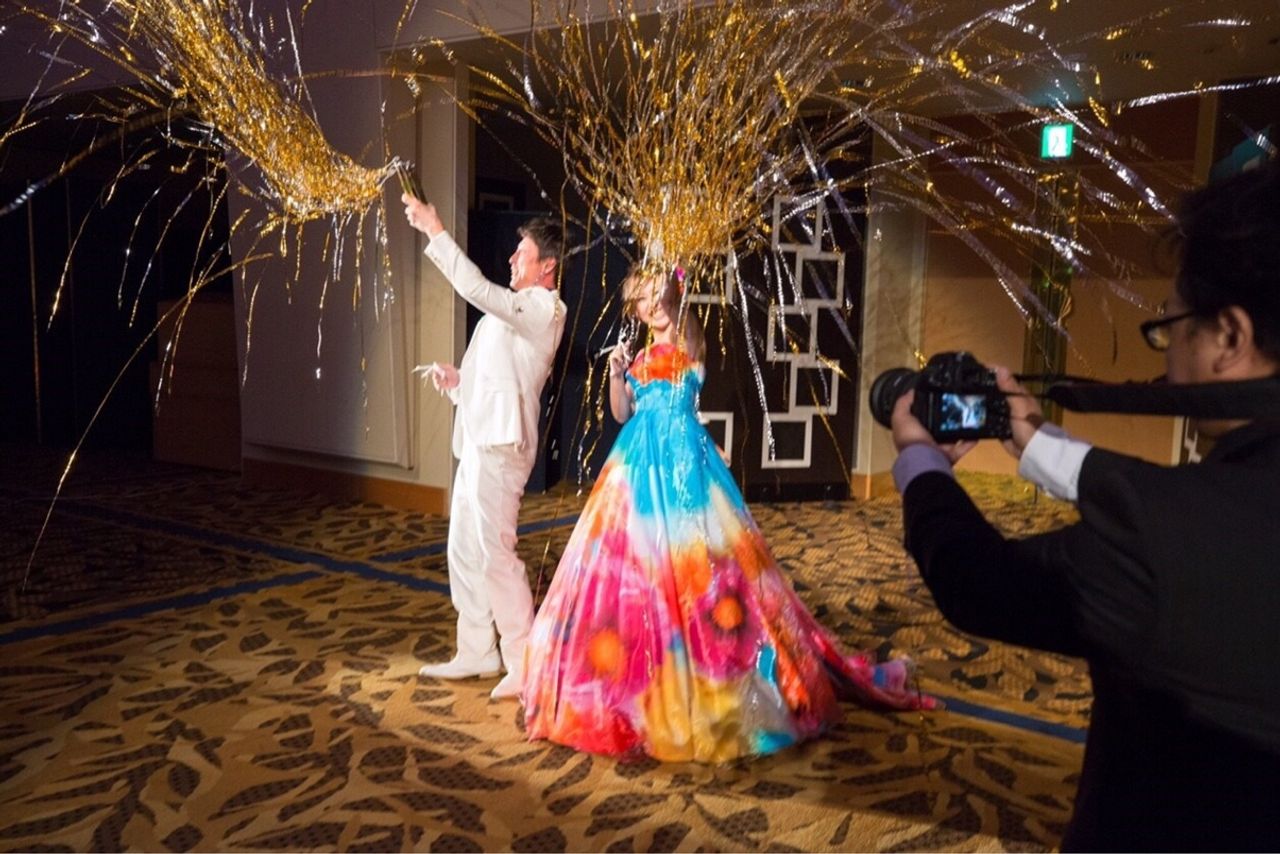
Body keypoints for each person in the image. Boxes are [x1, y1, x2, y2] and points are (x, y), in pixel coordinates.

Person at [889, 160, 1280, 851]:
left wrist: (920, 460)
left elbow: (979, 583)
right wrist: (1038, 443)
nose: (1166, 356)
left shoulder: (1167, 541)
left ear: (1229, 338)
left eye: (1171, 328)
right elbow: (1160, 495)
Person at [522, 263, 933, 763]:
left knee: (702, 569)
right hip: (635, 467)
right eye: (641, 301)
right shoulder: (639, 356)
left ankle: (708, 674)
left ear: (671, 295)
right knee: (633, 569)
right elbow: (621, 413)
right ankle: (640, 684)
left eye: (655, 295)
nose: (650, 307)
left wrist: (675, 279)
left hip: (686, 466)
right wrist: (614, 373)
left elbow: (687, 349)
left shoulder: (690, 345)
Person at [403, 192, 567, 701]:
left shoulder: (545, 309)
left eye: (523, 253)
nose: (513, 258)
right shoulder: (511, 314)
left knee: (496, 552)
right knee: (464, 548)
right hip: (479, 437)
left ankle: (521, 658)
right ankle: (476, 649)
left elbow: (476, 289)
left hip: (503, 445)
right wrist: (456, 381)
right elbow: (490, 376)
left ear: (547, 266)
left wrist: (434, 229)